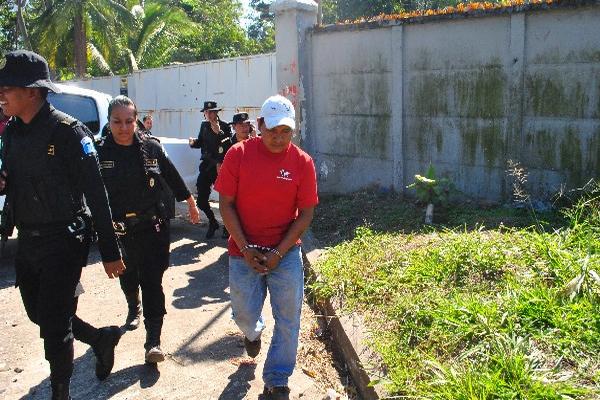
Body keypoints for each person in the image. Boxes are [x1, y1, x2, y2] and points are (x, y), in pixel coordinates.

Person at [0, 50, 126, 400]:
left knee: (54, 326)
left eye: (8, 88)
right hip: (29, 238)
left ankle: (61, 391)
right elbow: (15, 179)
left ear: (33, 92)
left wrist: (110, 251)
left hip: (65, 240)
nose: (1, 95)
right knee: (39, 314)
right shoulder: (11, 133)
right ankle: (101, 339)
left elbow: (97, 195)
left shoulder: (69, 132)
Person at [215, 95, 318, 400]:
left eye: (285, 131)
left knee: (288, 318)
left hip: (284, 253)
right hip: (242, 250)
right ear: (259, 125)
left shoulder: (302, 162)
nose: (278, 136)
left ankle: (277, 378)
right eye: (272, 129)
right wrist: (246, 248)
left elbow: (306, 214)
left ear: (293, 131)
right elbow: (226, 204)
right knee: (244, 315)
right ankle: (253, 332)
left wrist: (278, 253)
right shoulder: (238, 154)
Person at [97, 95, 200, 364]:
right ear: (109, 122)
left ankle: (153, 341)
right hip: (121, 230)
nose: (123, 127)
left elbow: (172, 175)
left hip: (153, 226)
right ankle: (133, 305)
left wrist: (189, 202)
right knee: (128, 275)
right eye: (117, 121)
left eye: (129, 121)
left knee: (153, 280)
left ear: (136, 120)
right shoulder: (100, 153)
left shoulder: (151, 148)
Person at [189, 100, 232, 239]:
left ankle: (228, 227)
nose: (208, 114)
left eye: (211, 112)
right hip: (207, 166)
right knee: (201, 200)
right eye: (206, 112)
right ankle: (213, 222)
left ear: (216, 113)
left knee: (225, 200)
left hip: (220, 167)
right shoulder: (204, 126)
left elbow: (229, 145)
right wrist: (193, 143)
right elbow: (201, 142)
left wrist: (218, 132)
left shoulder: (225, 126)